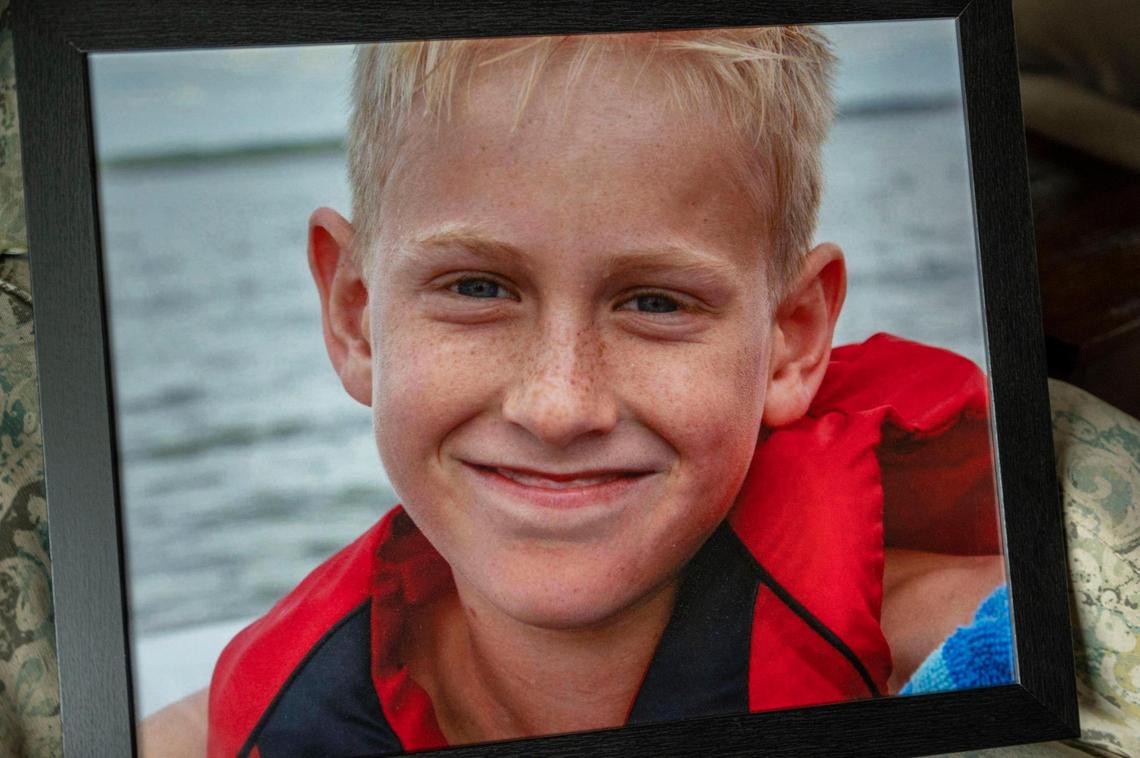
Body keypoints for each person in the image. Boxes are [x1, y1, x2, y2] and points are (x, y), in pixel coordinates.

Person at [141, 26, 1009, 757]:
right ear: (356, 316)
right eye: (477, 288)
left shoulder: (958, 646)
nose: (558, 407)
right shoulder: (263, 711)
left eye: (657, 302)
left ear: (790, 340)